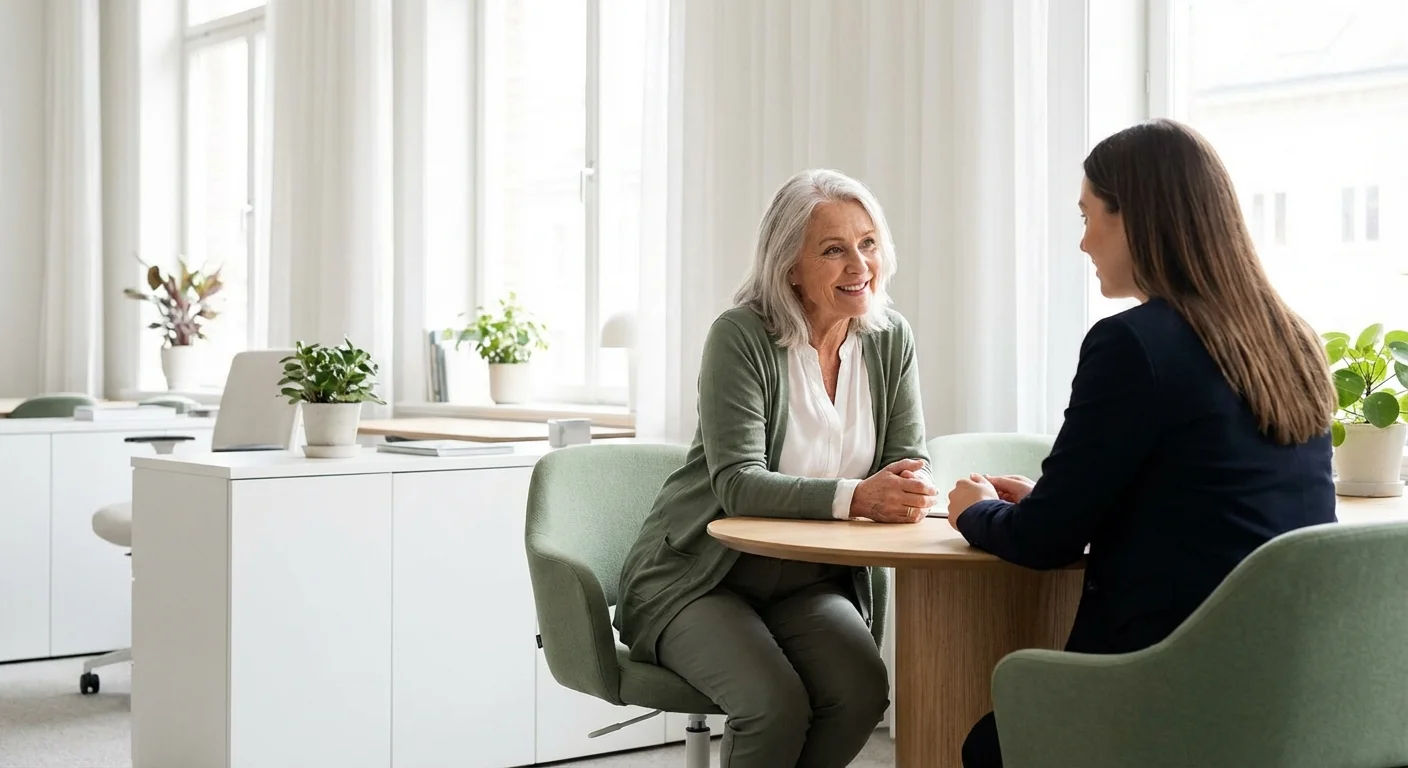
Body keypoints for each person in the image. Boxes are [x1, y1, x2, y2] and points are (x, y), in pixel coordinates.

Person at [945, 118, 1338, 768]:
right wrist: (1061, 497)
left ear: (1134, 218)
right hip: (1292, 700)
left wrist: (973, 511)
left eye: (1088, 215)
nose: (1082, 242)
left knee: (990, 743)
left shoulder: (1133, 344)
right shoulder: (1290, 341)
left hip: (1170, 693)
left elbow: (1043, 542)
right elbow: (1207, 499)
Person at [613, 168, 938, 768]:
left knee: (863, 694)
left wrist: (906, 486)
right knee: (773, 705)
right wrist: (858, 499)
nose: (859, 265)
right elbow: (737, 483)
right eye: (834, 250)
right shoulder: (741, 336)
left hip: (810, 582)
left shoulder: (891, 339)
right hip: (701, 580)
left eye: (867, 244)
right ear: (789, 266)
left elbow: (904, 461)